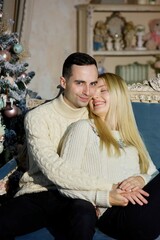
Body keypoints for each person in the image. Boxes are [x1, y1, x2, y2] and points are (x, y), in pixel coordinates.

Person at [0, 52, 102, 240]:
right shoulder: (38, 117)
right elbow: (52, 169)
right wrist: (106, 189)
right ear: (63, 82)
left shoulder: (98, 114)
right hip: (39, 192)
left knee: (84, 214)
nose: (87, 92)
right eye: (80, 83)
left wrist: (98, 197)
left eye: (93, 84)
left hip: (78, 196)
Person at [57, 72, 160, 240]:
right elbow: (65, 181)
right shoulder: (83, 128)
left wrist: (141, 179)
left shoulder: (131, 137)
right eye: (92, 93)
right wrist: (106, 197)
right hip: (112, 214)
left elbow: (153, 174)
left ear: (118, 95)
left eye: (102, 90)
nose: (94, 96)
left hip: (141, 207)